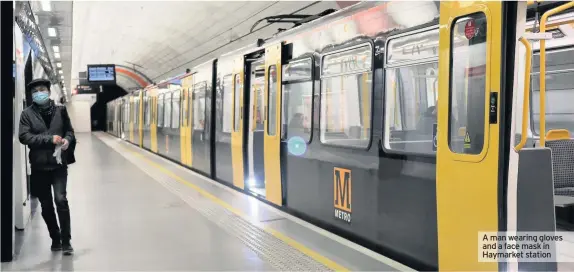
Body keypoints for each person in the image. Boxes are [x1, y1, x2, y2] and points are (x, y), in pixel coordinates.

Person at [18, 78, 75, 255]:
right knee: (46, 205)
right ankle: (55, 238)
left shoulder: (61, 110)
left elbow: (70, 131)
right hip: (39, 167)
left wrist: (67, 141)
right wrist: (48, 139)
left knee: (61, 201)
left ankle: (66, 241)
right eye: (35, 92)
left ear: (49, 92)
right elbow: (24, 137)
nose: (38, 93)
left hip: (58, 165)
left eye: (42, 90)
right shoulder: (26, 114)